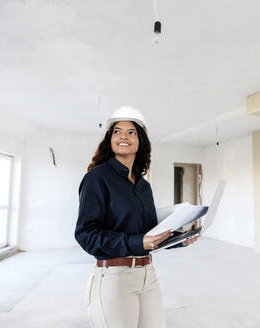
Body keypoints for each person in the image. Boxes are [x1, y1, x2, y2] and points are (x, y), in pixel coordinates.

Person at [74, 105, 198, 328]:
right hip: (113, 276)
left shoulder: (143, 186)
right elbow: (86, 236)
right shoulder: (97, 178)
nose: (123, 136)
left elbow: (150, 230)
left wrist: (179, 238)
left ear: (140, 141)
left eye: (131, 132)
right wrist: (136, 241)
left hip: (147, 274)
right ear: (109, 139)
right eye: (117, 131)